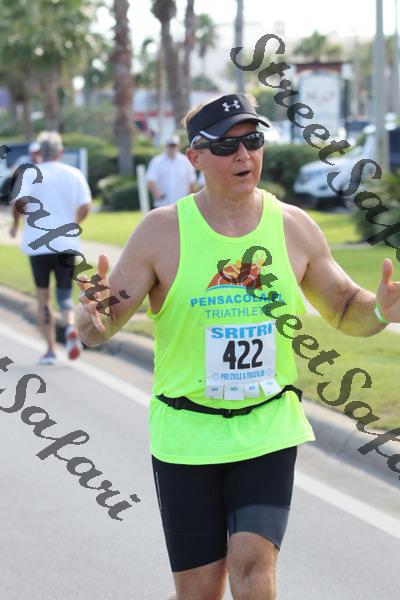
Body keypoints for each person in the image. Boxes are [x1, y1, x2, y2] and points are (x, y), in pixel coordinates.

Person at [76, 93, 400, 600]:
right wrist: (89, 319)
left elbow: (343, 307)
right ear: (195, 157)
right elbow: (102, 324)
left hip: (266, 427)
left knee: (253, 569)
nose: (244, 155)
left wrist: (380, 310)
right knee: (200, 591)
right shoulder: (161, 231)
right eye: (226, 146)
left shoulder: (292, 226)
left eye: (252, 140)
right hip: (186, 433)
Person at [10, 131, 91, 365]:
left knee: (43, 297)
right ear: (60, 152)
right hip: (65, 244)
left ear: (39, 152)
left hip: (38, 245)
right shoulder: (73, 173)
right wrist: (75, 222)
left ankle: (50, 350)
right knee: (64, 294)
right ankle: (70, 327)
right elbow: (85, 204)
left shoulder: (29, 174)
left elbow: (17, 203)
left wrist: (15, 225)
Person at [146, 134, 197, 208]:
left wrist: (189, 200)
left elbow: (192, 182)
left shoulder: (186, 161)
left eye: (174, 145)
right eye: (170, 145)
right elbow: (150, 180)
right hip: (162, 204)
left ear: (178, 146)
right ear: (166, 146)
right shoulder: (156, 161)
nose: (172, 147)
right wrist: (157, 193)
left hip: (182, 205)